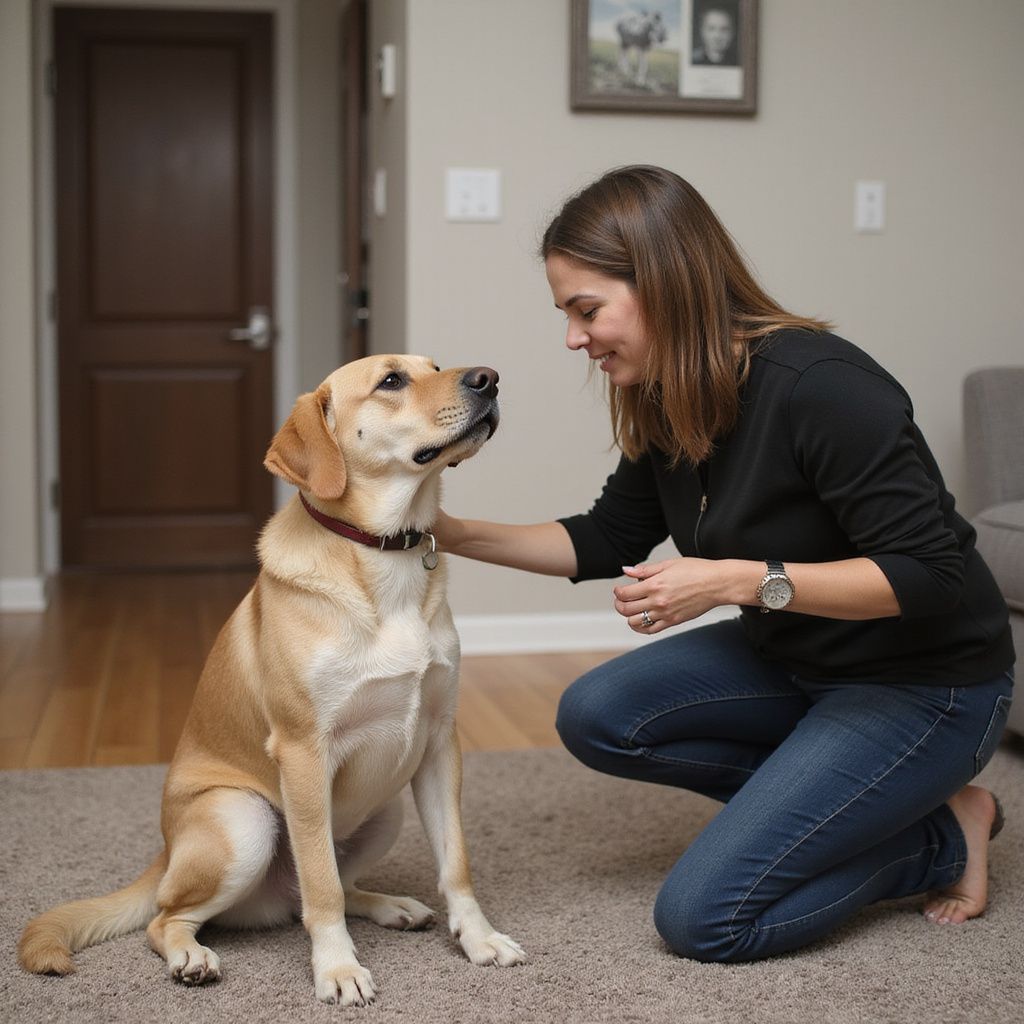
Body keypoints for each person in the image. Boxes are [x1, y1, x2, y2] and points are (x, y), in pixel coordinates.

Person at [434, 165, 1015, 963]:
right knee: (599, 712)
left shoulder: (823, 385)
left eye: (587, 310)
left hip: (926, 682)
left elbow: (928, 574)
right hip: (799, 655)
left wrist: (738, 579)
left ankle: (944, 837)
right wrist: (444, 529)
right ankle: (870, 800)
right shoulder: (673, 393)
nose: (574, 337)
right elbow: (604, 538)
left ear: (664, 284)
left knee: (705, 917)